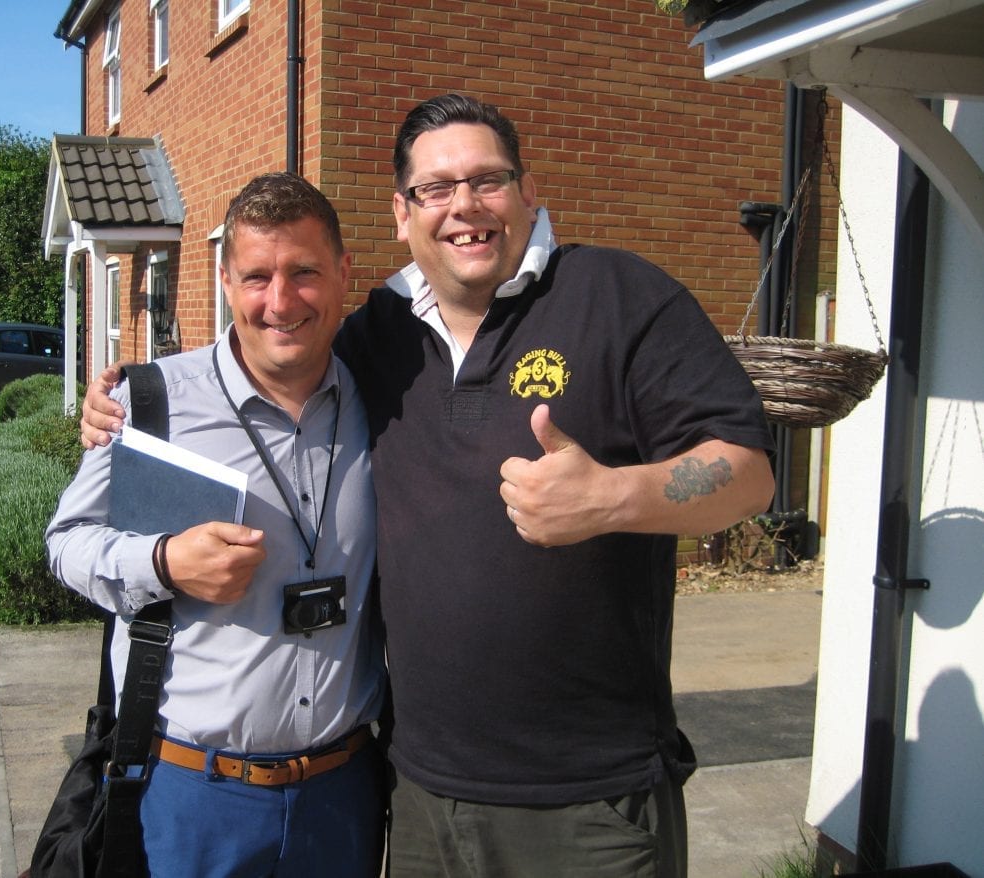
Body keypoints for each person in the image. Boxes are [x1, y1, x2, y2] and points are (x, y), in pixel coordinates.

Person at [80, 95, 776, 878]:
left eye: (488, 180)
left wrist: (615, 497)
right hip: (417, 796)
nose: (464, 207)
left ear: (527, 191)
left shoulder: (621, 297)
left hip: (589, 801)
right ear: (402, 214)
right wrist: (136, 398)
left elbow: (748, 473)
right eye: (435, 189)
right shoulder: (377, 333)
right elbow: (275, 333)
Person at [46, 172, 386, 878]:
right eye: (257, 276)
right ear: (226, 280)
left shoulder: (380, 402)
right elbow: (66, 544)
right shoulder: (155, 404)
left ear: (344, 274)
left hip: (343, 795)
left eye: (305, 273)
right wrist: (165, 562)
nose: (281, 301)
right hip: (194, 797)